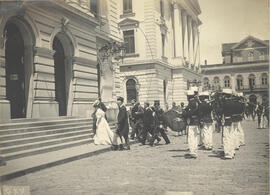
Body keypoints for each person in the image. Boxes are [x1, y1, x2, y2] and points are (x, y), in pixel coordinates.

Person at [184, 87, 200, 158]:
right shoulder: (197, 102)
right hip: (196, 122)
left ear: (189, 96)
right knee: (195, 137)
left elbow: (188, 113)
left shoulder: (191, 102)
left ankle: (192, 152)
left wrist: (184, 114)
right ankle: (195, 151)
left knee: (191, 138)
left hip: (192, 122)